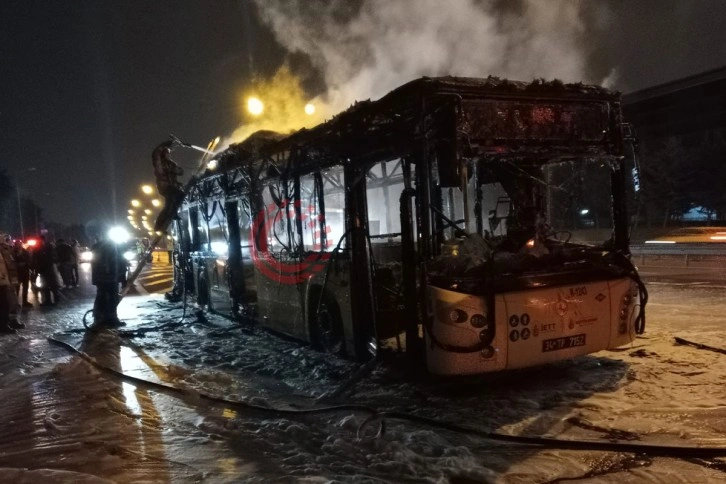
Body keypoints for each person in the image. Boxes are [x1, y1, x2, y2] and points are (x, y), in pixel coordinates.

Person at [91, 237, 129, 327]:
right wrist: (123, 279)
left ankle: (99, 317)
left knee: (102, 297)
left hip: (102, 278)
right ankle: (110, 318)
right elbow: (120, 263)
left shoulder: (97, 247)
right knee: (111, 298)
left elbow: (94, 264)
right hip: (111, 278)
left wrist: (95, 279)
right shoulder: (115, 248)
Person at [152, 139, 185, 232]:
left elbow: (181, 172)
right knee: (179, 195)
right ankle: (173, 214)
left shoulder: (171, 164)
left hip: (171, 187)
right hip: (164, 187)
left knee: (168, 206)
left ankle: (159, 226)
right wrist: (163, 144)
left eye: (168, 153)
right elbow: (155, 154)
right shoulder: (159, 163)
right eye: (166, 153)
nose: (168, 155)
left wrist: (175, 172)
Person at [0, 234, 23, 330]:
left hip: (9, 280)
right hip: (3, 281)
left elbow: (11, 263)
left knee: (13, 302)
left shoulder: (6, 251)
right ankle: (4, 324)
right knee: (4, 304)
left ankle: (12, 321)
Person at [34, 235, 59, 306]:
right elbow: (36, 259)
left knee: (52, 285)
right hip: (43, 269)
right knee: (45, 286)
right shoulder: (39, 248)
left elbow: (53, 257)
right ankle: (48, 300)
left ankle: (55, 298)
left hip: (49, 268)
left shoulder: (48, 247)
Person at [13, 240, 32, 308]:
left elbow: (29, 260)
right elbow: (12, 262)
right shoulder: (13, 252)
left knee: (25, 287)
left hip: (25, 272)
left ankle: (25, 301)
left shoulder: (25, 252)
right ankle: (15, 303)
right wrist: (17, 265)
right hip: (17, 273)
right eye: (17, 244)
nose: (18, 246)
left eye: (19, 244)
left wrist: (26, 263)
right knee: (16, 288)